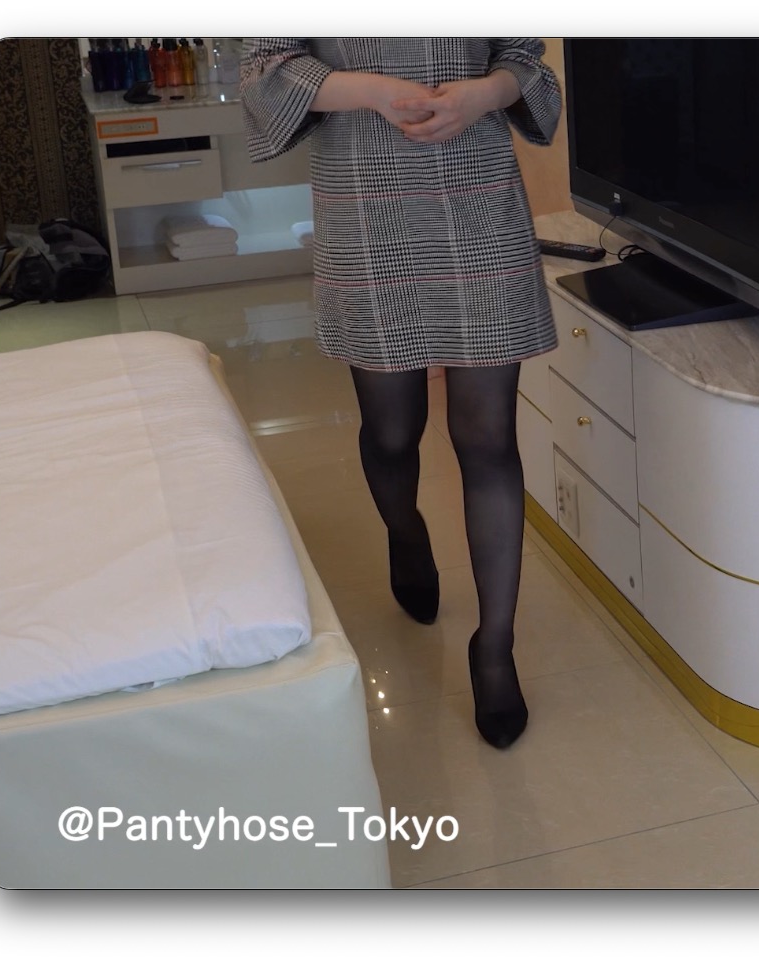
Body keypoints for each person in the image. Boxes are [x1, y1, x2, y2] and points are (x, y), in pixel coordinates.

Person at [240, 39, 561, 750]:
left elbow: (523, 56)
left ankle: (495, 647)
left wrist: (485, 93)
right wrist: (370, 91)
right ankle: (406, 531)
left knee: (488, 438)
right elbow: (266, 68)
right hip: (365, 196)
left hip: (480, 194)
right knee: (392, 431)